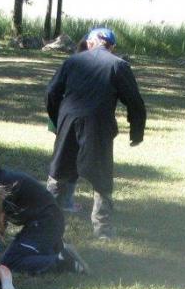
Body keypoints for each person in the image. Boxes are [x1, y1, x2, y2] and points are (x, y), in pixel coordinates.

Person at [45, 26, 146, 239]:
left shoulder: (72, 62)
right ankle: (103, 230)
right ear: (112, 47)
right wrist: (136, 132)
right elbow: (135, 102)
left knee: (58, 172)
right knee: (101, 177)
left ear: (90, 43)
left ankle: (46, 223)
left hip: (69, 121)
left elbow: (52, 92)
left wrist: (57, 120)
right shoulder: (118, 65)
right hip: (98, 125)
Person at [0, 146, 89, 275]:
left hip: (46, 223)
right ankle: (55, 249)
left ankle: (63, 260)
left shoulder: (2, 185)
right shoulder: (0, 180)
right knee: (16, 254)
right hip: (42, 223)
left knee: (11, 261)